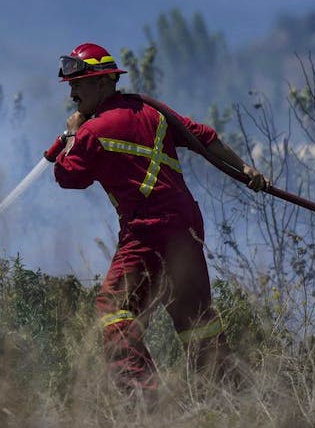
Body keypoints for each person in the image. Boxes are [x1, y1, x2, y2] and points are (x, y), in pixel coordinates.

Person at [46, 42, 268, 396]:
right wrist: (246, 169)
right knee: (195, 319)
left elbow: (68, 176)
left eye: (80, 84)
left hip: (146, 230)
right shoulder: (153, 113)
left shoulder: (91, 131)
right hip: (186, 226)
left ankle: (146, 399)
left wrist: (71, 132)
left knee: (114, 311)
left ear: (104, 83)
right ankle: (232, 397)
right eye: (72, 86)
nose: (73, 93)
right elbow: (205, 138)